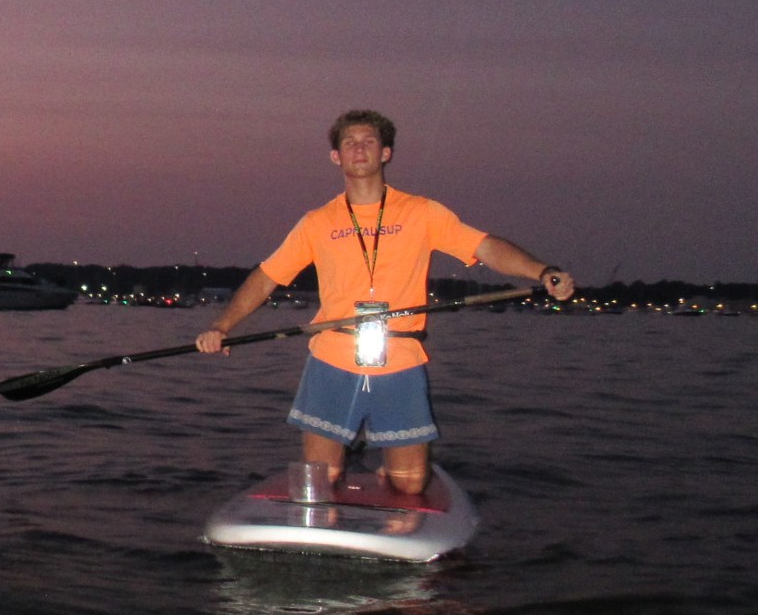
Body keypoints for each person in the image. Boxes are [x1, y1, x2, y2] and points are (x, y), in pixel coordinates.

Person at [194, 109, 574, 496]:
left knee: (409, 488)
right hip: (331, 356)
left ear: (386, 153)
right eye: (349, 142)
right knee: (320, 481)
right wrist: (222, 327)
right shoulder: (316, 222)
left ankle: (389, 479)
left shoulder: (422, 212)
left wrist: (542, 271)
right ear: (336, 157)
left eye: (369, 141)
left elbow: (486, 247)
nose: (359, 149)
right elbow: (266, 277)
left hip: (401, 357)